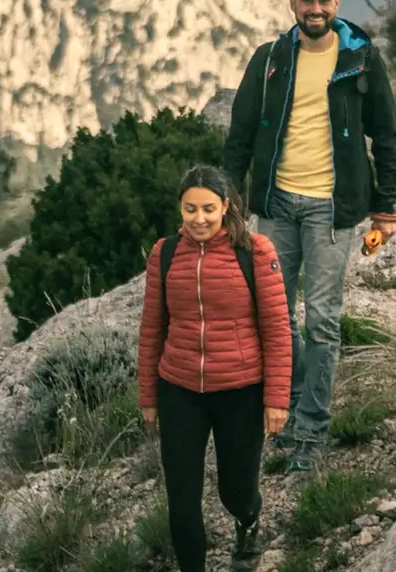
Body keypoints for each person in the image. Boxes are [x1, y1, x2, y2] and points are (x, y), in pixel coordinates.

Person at [223, 0, 396, 474]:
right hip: (277, 205)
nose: (316, 8)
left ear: (336, 5)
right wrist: (227, 201)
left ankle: (313, 430)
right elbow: (239, 137)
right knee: (275, 315)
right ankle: (291, 406)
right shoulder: (271, 59)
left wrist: (386, 206)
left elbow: (384, 136)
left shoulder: (360, 59)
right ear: (293, 5)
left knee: (321, 319)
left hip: (332, 209)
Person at [137, 165, 294, 572]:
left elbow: (278, 330)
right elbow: (152, 328)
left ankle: (248, 520)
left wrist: (276, 400)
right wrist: (149, 397)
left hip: (240, 391)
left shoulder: (256, 252)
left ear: (226, 206)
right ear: (180, 209)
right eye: (190, 209)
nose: (199, 219)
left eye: (208, 208)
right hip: (180, 389)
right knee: (182, 502)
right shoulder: (165, 253)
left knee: (235, 491)